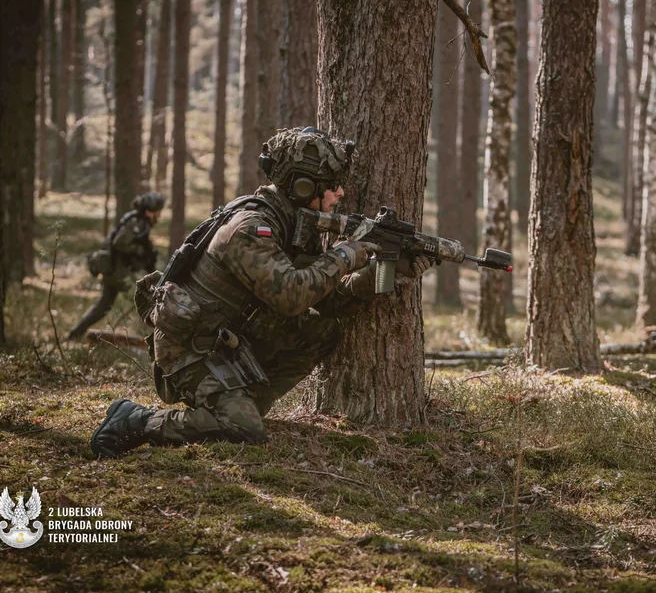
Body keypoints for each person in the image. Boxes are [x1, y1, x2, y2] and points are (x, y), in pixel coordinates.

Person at [89, 127, 435, 458]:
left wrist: (381, 272)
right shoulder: (252, 228)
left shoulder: (293, 226)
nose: (340, 193)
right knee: (243, 430)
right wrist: (348, 252)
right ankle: (136, 419)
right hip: (190, 348)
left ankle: (243, 406)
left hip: (227, 340)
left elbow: (325, 297)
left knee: (320, 330)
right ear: (301, 187)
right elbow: (292, 297)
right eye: (332, 186)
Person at [67, 191, 165, 341]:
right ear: (148, 211)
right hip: (119, 274)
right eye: (156, 212)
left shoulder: (138, 221)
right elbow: (119, 243)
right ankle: (154, 339)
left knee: (103, 306)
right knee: (147, 300)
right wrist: (139, 251)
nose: (158, 216)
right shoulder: (136, 222)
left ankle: (75, 333)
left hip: (117, 271)